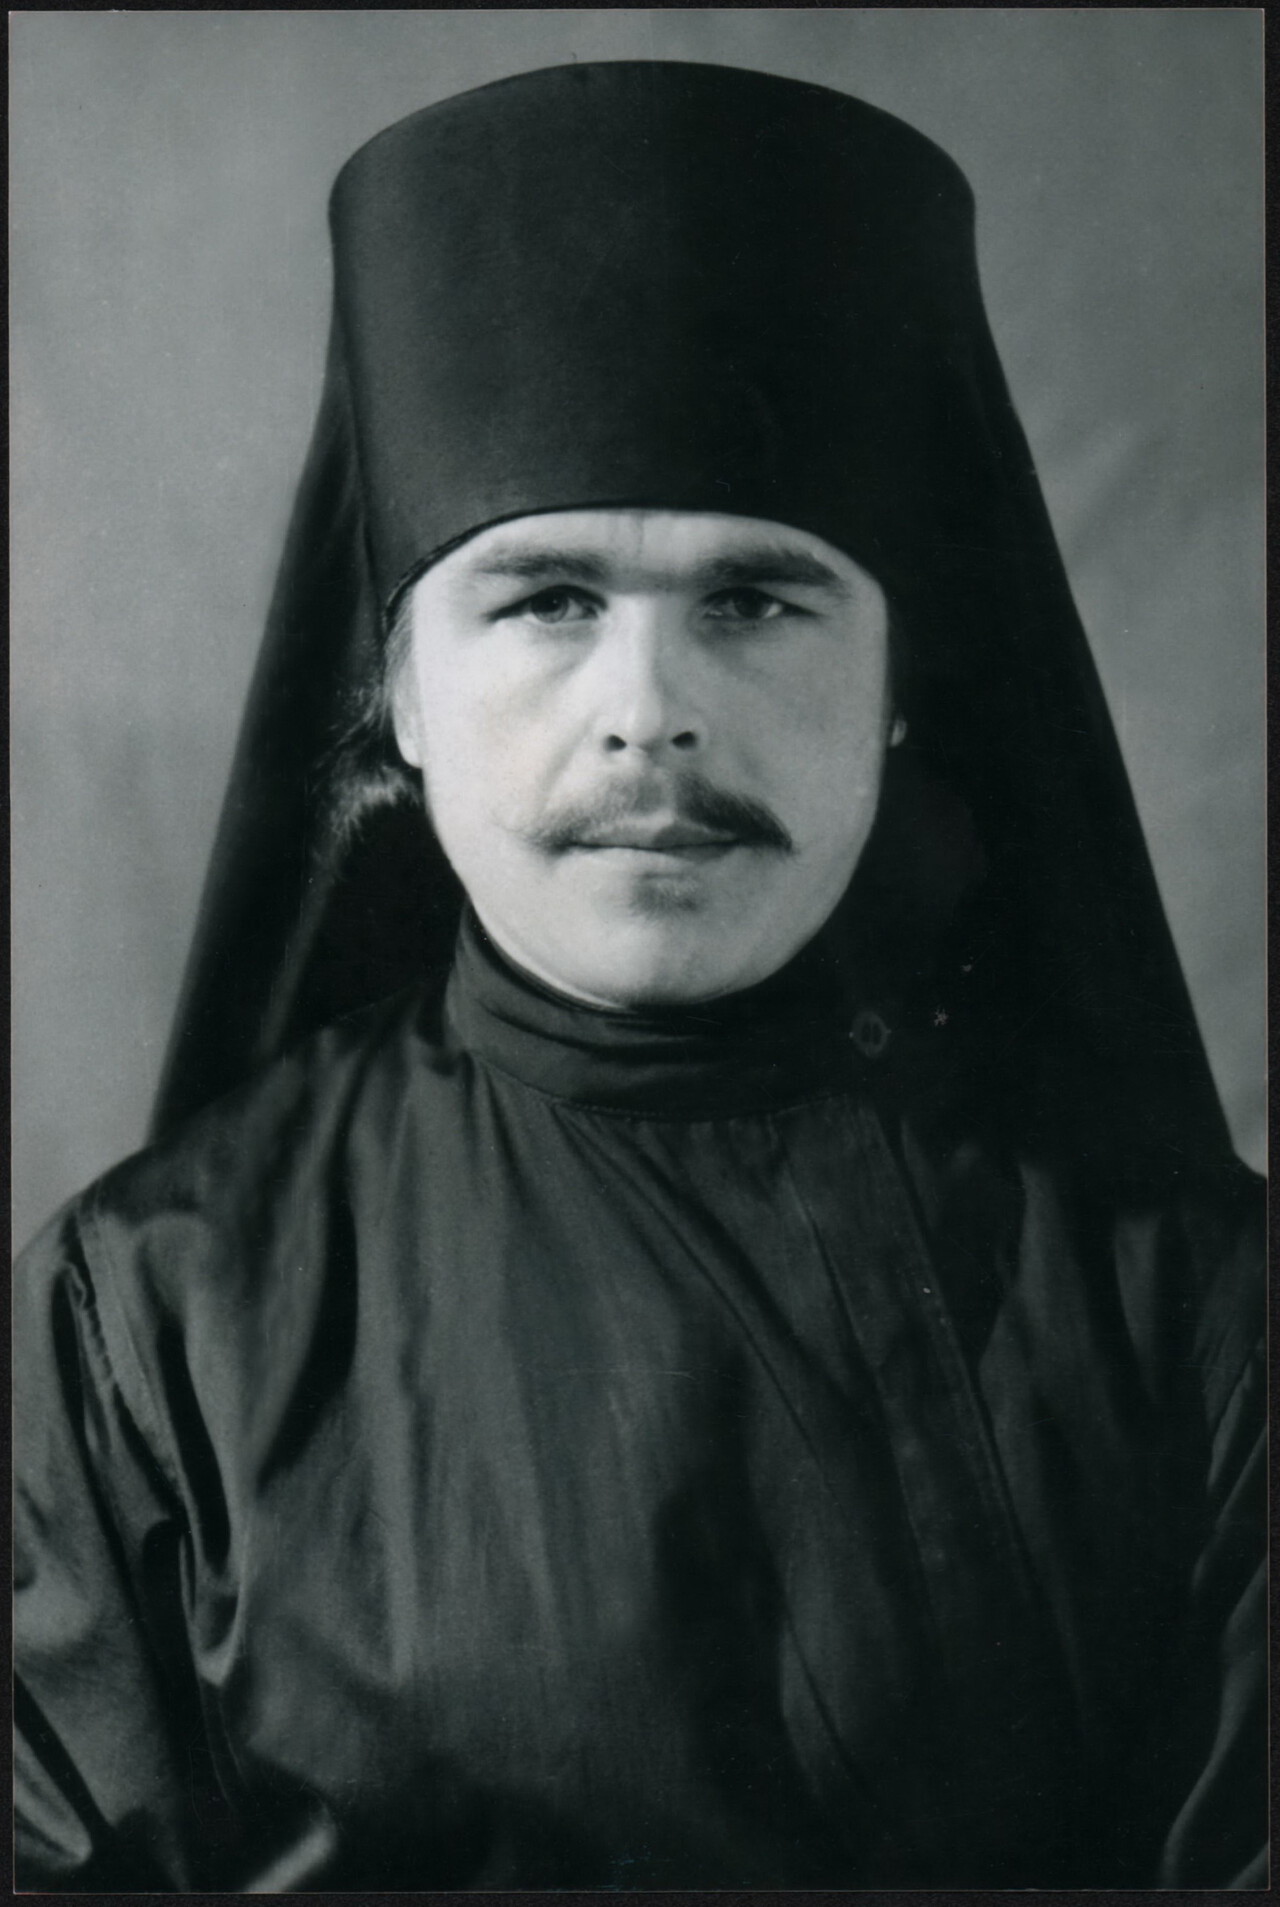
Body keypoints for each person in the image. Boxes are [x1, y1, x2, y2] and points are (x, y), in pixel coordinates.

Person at [14, 62, 1264, 1892]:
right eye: (546, 600)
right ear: (401, 696)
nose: (650, 710)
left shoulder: (1206, 1308)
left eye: (754, 600)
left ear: (895, 686)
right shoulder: (144, 1324)